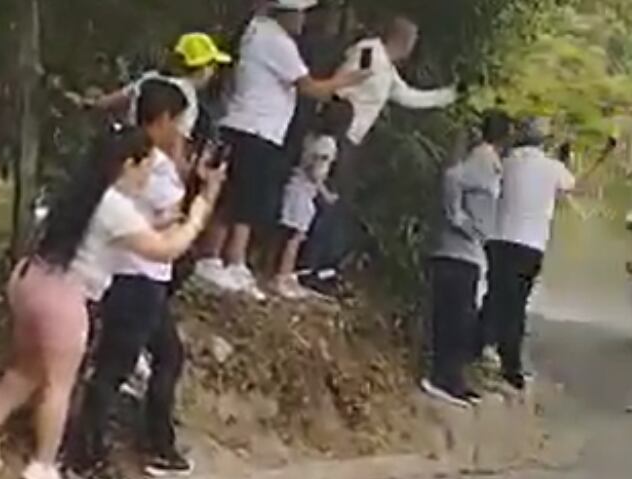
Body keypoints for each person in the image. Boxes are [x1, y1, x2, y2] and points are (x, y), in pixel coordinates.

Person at [0, 128, 223, 479]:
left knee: (26, 367)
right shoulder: (114, 205)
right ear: (128, 164)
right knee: (59, 384)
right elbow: (165, 250)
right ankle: (44, 464)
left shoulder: (83, 193)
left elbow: (141, 229)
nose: (148, 176)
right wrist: (199, 215)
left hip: (28, 281)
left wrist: (190, 201)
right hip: (65, 298)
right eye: (146, 167)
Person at [67, 81, 215, 479]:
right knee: (117, 367)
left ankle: (149, 443)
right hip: (137, 274)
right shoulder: (143, 158)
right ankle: (91, 449)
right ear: (165, 119)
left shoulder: (142, 155)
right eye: (180, 120)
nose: (183, 130)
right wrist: (201, 201)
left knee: (161, 356)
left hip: (142, 274)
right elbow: (165, 220)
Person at [193, 0, 365, 297]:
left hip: (259, 130)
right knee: (235, 198)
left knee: (247, 199)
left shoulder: (257, 31)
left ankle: (234, 261)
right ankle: (211, 259)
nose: (304, 20)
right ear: (287, 13)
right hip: (254, 127)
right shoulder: (275, 40)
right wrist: (348, 80)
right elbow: (311, 87)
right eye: (301, 13)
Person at [483, 117, 576, 391]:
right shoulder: (552, 167)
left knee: (495, 295)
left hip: (499, 237)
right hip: (530, 243)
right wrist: (565, 159)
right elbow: (573, 186)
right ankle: (509, 365)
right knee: (516, 304)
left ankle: (483, 347)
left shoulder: (508, 161)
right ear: (544, 142)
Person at [422, 112, 507, 409]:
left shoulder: (491, 162)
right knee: (455, 318)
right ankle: (442, 377)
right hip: (457, 250)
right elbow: (453, 178)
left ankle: (453, 377)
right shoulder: (482, 160)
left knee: (460, 317)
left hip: (468, 253)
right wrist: (462, 220)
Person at [73, 31, 232, 160]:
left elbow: (110, 102)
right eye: (212, 66)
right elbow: (177, 140)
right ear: (203, 68)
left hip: (126, 149)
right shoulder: (187, 95)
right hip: (156, 161)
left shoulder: (148, 78)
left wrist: (87, 103)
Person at [333, 15, 456, 155]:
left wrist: (449, 95)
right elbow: (344, 78)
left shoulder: (389, 73)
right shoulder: (370, 51)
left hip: (352, 138)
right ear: (404, 41)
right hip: (337, 128)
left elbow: (409, 97)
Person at [271, 99, 348, 299]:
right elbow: (316, 173)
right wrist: (326, 194)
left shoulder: (311, 137)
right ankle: (282, 276)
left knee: (293, 235)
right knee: (294, 237)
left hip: (296, 187)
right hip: (303, 192)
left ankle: (286, 275)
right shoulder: (327, 144)